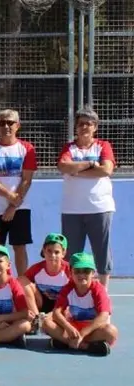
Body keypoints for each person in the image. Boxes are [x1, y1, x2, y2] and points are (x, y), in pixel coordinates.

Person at [57, 107, 116, 288]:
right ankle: (72, 291)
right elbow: (64, 166)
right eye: (81, 124)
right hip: (72, 210)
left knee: (101, 251)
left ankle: (103, 291)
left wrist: (76, 171)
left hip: (99, 208)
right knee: (71, 254)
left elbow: (106, 170)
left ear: (95, 127)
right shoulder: (69, 148)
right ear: (76, 127)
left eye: (88, 124)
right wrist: (91, 164)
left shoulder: (103, 146)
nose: (84, 127)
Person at [0, 109, 37, 275]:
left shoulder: (26, 148)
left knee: (19, 247)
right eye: (2, 123)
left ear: (18, 126)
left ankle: (22, 281)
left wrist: (13, 206)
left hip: (20, 208)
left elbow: (26, 180)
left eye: (10, 122)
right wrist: (9, 196)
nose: (6, 126)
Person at [42, 252, 118, 356]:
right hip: (74, 329)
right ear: (71, 273)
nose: (81, 275)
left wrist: (83, 333)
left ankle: (67, 342)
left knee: (111, 332)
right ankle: (85, 346)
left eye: (86, 271)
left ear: (93, 273)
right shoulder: (67, 289)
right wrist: (68, 327)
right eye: (77, 271)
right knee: (46, 323)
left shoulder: (98, 290)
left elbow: (103, 315)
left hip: (93, 329)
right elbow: (56, 312)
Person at [18, 233, 70, 317]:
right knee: (21, 279)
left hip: (61, 307)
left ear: (63, 253)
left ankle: (52, 319)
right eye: (49, 251)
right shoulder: (37, 268)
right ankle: (36, 318)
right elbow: (20, 283)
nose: (52, 255)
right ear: (44, 251)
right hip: (42, 303)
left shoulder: (69, 269)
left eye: (57, 252)